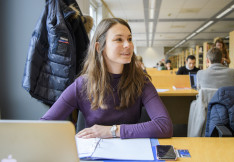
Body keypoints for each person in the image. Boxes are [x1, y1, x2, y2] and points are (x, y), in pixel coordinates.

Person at [40, 18, 173, 139]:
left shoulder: (141, 82)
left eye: (130, 39)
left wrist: (112, 131)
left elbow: (164, 126)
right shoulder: (82, 84)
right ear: (99, 47)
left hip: (130, 153)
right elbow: (45, 125)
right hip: (93, 154)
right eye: (119, 39)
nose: (128, 45)